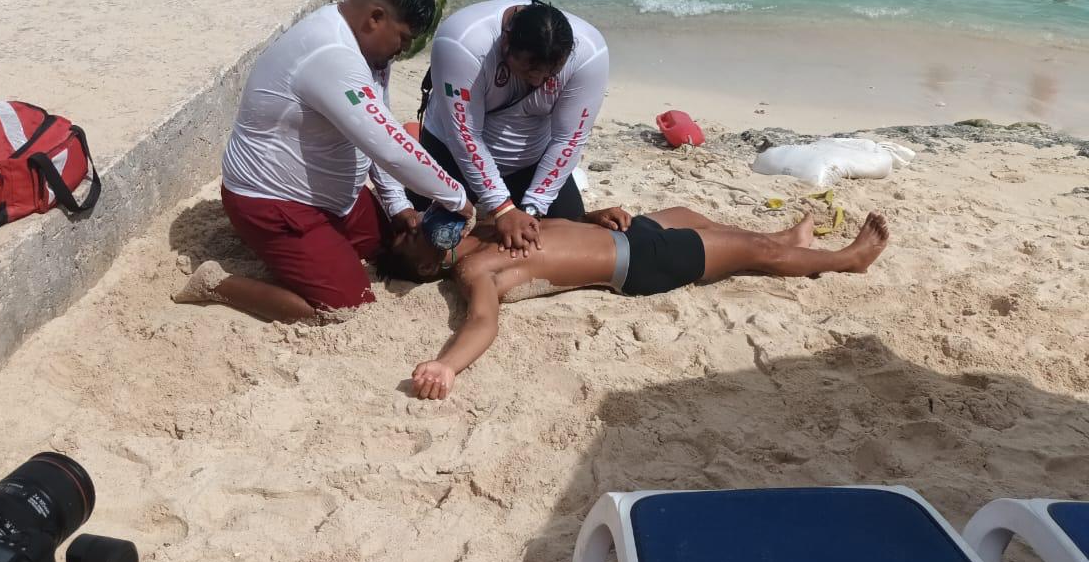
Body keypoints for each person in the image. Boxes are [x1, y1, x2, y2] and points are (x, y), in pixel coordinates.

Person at [180, 0, 474, 321]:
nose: (401, 50)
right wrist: (456, 197)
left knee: (391, 245)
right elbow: (391, 146)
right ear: (376, 18)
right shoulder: (331, 54)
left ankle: (303, 249)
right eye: (403, 38)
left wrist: (397, 203)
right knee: (346, 305)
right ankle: (217, 284)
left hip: (336, 198)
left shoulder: (368, 49)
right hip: (274, 201)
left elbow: (379, 129)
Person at [381, 204, 890, 399]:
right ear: (427, 267)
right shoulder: (474, 269)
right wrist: (447, 366)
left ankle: (784, 239)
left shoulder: (491, 226)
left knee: (689, 216)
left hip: (627, 233)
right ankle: (849, 259)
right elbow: (482, 320)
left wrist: (594, 215)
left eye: (410, 221)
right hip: (640, 263)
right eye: (408, 236)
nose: (415, 222)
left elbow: (558, 229)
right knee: (754, 254)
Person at [414, 0, 609, 254]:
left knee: (566, 235)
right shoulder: (463, 42)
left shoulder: (589, 53)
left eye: (549, 76)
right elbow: (465, 135)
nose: (538, 81)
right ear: (505, 42)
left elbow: (569, 139)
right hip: (452, 150)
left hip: (528, 158)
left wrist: (533, 208)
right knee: (427, 240)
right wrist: (502, 208)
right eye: (529, 71)